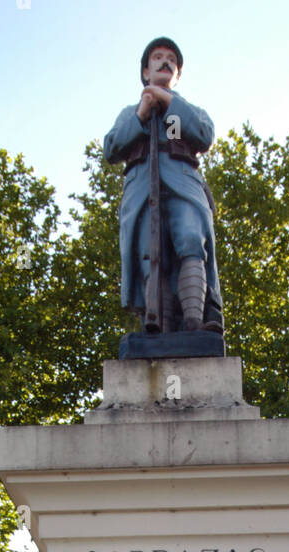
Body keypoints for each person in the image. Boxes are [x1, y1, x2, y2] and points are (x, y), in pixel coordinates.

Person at [104, 38, 224, 334]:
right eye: (157, 57)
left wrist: (168, 102)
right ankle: (161, 327)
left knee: (190, 240)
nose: (165, 61)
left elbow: (203, 134)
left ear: (178, 75)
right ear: (146, 71)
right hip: (142, 190)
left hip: (184, 184)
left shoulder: (186, 110)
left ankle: (195, 321)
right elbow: (112, 148)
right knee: (149, 253)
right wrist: (142, 114)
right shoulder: (130, 113)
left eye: (171, 59)